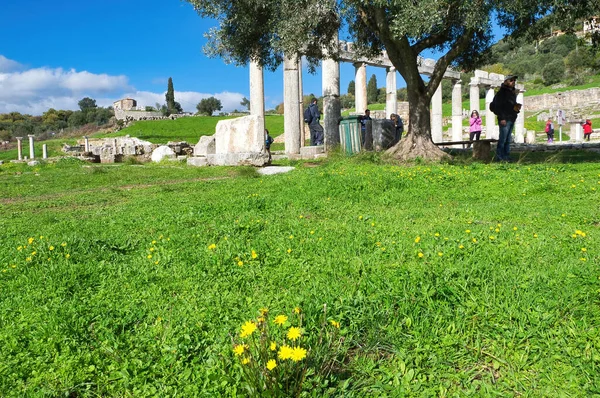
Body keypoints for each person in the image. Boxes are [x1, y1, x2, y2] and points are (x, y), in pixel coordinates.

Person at [491, 75, 521, 162]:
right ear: (505, 81)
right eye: (511, 80)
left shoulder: (512, 92)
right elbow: (497, 107)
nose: (513, 82)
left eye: (514, 80)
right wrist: (502, 118)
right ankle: (499, 157)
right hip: (504, 119)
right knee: (503, 139)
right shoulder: (501, 93)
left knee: (508, 139)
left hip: (511, 118)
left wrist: (516, 108)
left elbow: (509, 105)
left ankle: (506, 156)